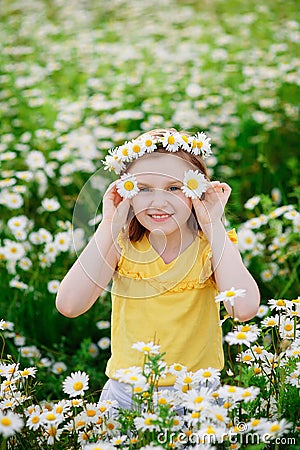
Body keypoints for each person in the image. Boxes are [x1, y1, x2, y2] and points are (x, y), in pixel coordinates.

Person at [56, 128, 260, 409]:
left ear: (195, 191)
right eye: (143, 189)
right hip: (127, 396)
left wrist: (214, 225)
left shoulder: (210, 246)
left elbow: (245, 308)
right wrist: (108, 226)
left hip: (197, 395)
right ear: (125, 192)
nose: (158, 202)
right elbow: (69, 304)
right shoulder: (122, 244)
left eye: (174, 188)